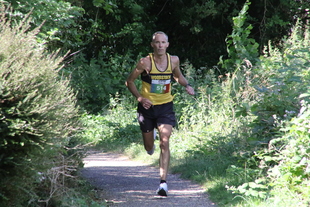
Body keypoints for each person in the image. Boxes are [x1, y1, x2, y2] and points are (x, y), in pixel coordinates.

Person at [125, 31, 195, 197]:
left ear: (167, 45)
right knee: (149, 147)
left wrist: (187, 85)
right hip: (147, 109)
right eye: (157, 42)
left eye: (163, 42)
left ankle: (163, 183)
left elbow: (178, 76)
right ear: (152, 45)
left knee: (165, 141)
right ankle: (151, 139)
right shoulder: (144, 62)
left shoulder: (174, 60)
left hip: (165, 107)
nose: (160, 45)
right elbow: (129, 81)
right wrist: (141, 98)